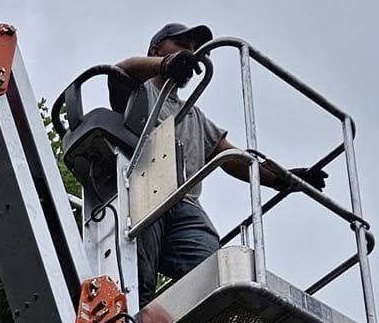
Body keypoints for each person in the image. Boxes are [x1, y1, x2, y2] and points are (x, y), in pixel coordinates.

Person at [112, 22, 328, 298]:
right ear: (157, 48)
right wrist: (165, 65)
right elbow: (120, 71)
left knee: (211, 269)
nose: (191, 55)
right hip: (144, 192)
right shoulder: (139, 91)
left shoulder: (194, 116)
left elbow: (231, 158)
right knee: (139, 279)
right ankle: (135, 319)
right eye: (182, 47)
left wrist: (283, 180)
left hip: (184, 204)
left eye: (194, 51)